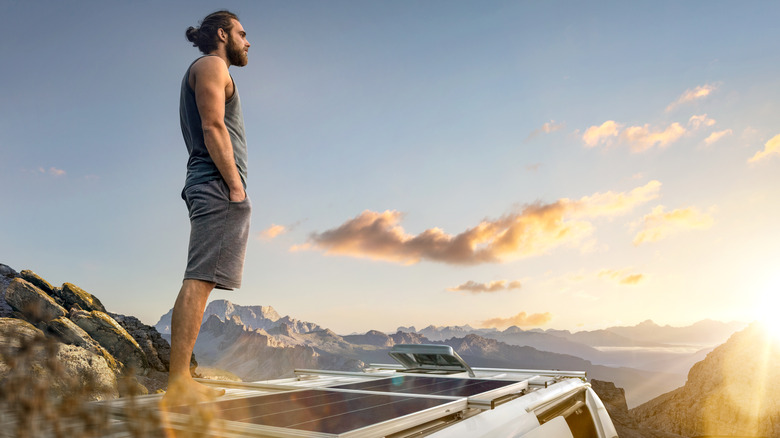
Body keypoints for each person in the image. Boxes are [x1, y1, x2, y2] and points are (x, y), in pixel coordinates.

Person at [163, 10, 252, 405]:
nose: (248, 42)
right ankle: (179, 384)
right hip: (216, 184)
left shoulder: (207, 67)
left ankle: (181, 381)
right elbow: (214, 125)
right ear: (222, 33)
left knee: (204, 279)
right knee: (199, 278)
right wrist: (235, 187)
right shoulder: (213, 65)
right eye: (242, 33)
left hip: (209, 184)